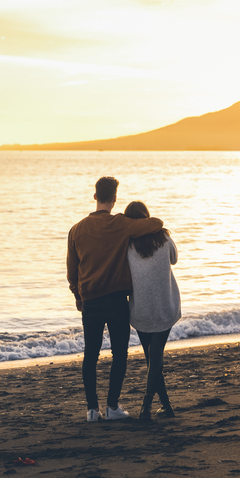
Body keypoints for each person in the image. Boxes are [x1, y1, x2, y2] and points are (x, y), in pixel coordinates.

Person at [67, 177, 163, 422]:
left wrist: (77, 295)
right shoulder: (121, 224)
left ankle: (91, 410)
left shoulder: (76, 229)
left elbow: (72, 271)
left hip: (90, 301)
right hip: (117, 300)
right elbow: (156, 223)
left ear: (95, 196)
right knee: (119, 353)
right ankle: (111, 407)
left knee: (91, 355)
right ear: (114, 198)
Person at [124, 201, 181, 421]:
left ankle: (152, 406)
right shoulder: (164, 237)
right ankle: (156, 406)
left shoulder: (127, 244)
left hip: (141, 309)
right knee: (155, 359)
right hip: (165, 306)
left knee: (152, 359)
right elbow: (174, 259)